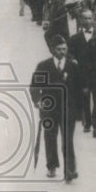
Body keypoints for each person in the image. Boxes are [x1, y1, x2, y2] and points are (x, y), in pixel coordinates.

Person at [30, 34, 83, 181]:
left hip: (68, 110)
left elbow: (79, 89)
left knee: (68, 140)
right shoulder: (43, 66)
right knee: (50, 138)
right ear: (52, 50)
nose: (62, 52)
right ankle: (51, 166)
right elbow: (34, 87)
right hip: (49, 110)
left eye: (64, 49)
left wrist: (79, 112)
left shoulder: (73, 66)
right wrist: (38, 100)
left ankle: (70, 170)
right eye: (59, 49)